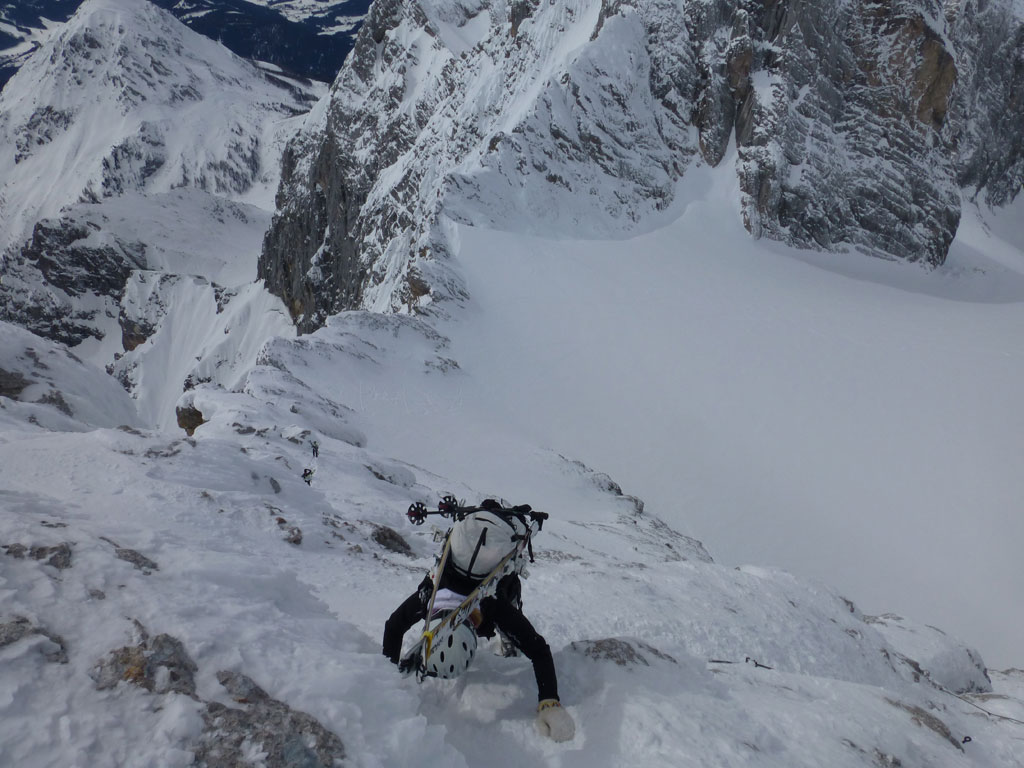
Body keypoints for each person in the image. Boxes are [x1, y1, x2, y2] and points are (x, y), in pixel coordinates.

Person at [382, 500, 576, 742]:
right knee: (510, 596)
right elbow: (538, 650)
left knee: (508, 589)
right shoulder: (434, 597)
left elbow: (393, 627)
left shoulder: (441, 598)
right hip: (488, 556)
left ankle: (508, 641)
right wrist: (549, 701)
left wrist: (386, 677)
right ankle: (508, 641)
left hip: (483, 566)